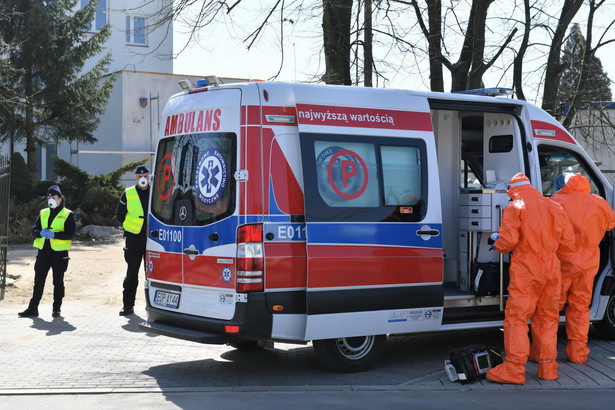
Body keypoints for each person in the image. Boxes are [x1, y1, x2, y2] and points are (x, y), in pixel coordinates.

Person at [485, 173, 575, 384]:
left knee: (516, 318)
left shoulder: (515, 206)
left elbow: (507, 242)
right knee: (547, 318)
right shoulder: (554, 206)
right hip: (551, 268)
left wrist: (496, 243)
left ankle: (514, 369)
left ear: (512, 189)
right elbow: (568, 244)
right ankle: (548, 368)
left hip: (526, 268)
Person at [549, 172, 615, 363]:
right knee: (580, 307)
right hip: (588, 263)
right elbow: (610, 224)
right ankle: (577, 354)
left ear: (561, 185)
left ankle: (545, 354)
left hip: (563, 262)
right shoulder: (598, 202)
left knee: (550, 309)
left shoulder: (555, 201)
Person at [18, 185, 76, 318]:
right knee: (39, 280)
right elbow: (34, 229)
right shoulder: (43, 212)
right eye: (49, 197)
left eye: (53, 197)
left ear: (60, 198)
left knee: (58, 281)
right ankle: (33, 308)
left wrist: (55, 235)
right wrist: (40, 233)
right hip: (44, 252)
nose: (50, 199)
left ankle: (56, 309)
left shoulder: (68, 214)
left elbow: (70, 234)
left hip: (59, 253)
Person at [116, 165, 150, 316]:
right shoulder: (128, 193)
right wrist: (129, 227)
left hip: (153, 238)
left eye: (145, 175)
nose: (142, 178)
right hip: (134, 238)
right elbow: (119, 216)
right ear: (135, 177)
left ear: (149, 176)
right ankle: (128, 306)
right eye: (139, 175)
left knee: (152, 274)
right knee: (132, 274)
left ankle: (154, 307)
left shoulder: (156, 191)